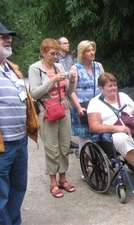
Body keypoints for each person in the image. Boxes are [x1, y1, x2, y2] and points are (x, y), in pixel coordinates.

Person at [88, 72, 134, 193]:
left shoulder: (123, 96)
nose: (113, 88)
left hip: (131, 127)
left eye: (115, 85)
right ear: (101, 88)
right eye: (109, 86)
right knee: (121, 138)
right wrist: (116, 129)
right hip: (111, 133)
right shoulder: (95, 102)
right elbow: (94, 126)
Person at [28, 38, 76, 198]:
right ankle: (53, 182)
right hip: (47, 112)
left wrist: (73, 81)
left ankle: (63, 179)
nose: (55, 57)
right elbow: (34, 93)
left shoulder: (60, 67)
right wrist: (51, 81)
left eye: (56, 53)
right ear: (43, 52)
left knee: (64, 146)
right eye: (52, 54)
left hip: (64, 109)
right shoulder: (35, 68)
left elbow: (68, 91)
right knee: (51, 148)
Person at [0, 21, 29, 225]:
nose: (8, 39)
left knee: (18, 187)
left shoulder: (12, 68)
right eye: (3, 36)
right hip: (3, 144)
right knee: (1, 193)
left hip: (20, 140)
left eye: (9, 36)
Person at [69, 40, 105, 160]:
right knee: (84, 138)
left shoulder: (98, 66)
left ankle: (100, 163)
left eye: (92, 50)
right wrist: (78, 107)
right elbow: (72, 92)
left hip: (98, 106)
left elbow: (105, 85)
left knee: (100, 134)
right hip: (83, 106)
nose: (92, 52)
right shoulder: (76, 68)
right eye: (88, 50)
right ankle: (86, 169)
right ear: (82, 53)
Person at [57, 36, 79, 152]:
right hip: (59, 90)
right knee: (61, 116)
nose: (68, 45)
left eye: (68, 43)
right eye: (65, 43)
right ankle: (62, 144)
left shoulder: (70, 58)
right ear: (59, 46)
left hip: (69, 88)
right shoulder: (56, 59)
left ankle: (67, 141)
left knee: (68, 115)